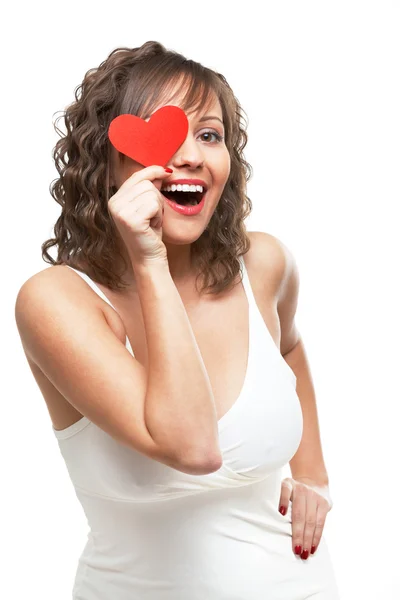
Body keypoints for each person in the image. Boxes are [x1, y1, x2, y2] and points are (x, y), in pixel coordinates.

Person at [14, 41, 340, 599]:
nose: (191, 156)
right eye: (163, 136)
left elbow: (288, 350)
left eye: (210, 135)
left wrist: (313, 472)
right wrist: (149, 260)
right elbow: (194, 448)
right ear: (108, 159)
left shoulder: (263, 264)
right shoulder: (56, 302)